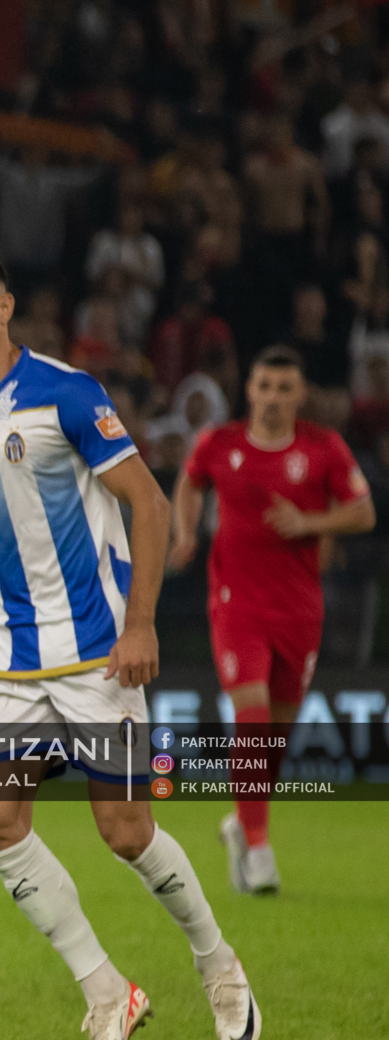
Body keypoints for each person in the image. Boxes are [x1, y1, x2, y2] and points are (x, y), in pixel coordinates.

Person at [0, 249, 261, 1040]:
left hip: (97, 651)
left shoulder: (67, 393)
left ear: (3, 310)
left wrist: (141, 625)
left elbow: (149, 504)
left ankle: (217, 962)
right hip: (5, 660)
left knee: (125, 831)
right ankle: (105, 990)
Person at [172, 347, 375, 894]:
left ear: (301, 395)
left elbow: (363, 512)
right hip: (236, 604)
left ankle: (242, 823)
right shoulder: (220, 443)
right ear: (249, 390)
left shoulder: (322, 448)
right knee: (254, 719)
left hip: (300, 609)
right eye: (264, 386)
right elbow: (190, 482)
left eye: (285, 388)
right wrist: (186, 533)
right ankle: (260, 850)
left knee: (275, 739)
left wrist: (310, 522)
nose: (273, 397)